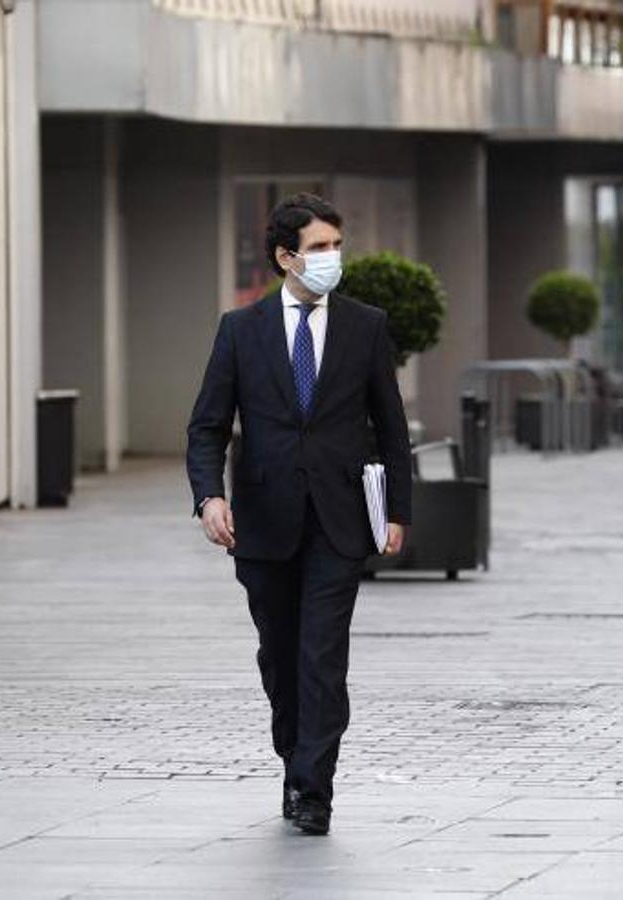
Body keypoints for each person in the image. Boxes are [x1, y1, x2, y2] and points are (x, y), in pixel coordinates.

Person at [185, 193, 411, 836]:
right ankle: (295, 755)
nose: (331, 258)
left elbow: (391, 428)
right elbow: (206, 427)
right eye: (318, 248)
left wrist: (397, 509)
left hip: (339, 522)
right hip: (262, 522)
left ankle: (313, 790)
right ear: (286, 257)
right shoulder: (240, 331)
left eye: (336, 246)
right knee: (280, 658)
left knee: (322, 656)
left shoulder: (365, 326)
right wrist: (210, 497)